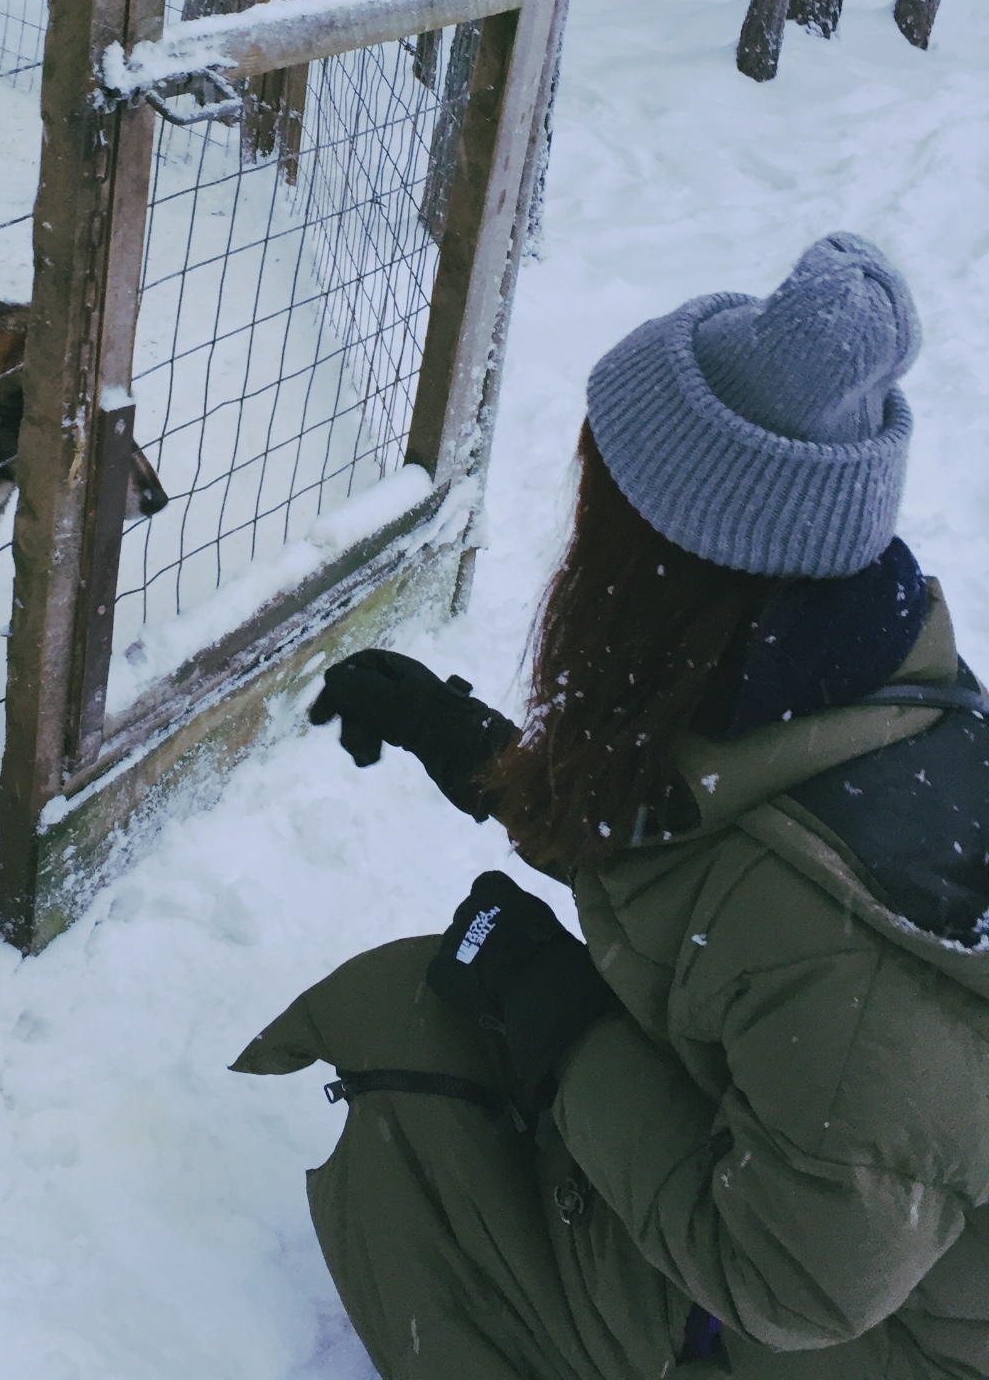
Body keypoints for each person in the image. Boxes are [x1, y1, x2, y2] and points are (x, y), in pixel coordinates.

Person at [233, 234, 989, 1380]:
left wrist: (561, 1014)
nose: (579, 532)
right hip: (833, 1212)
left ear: (674, 561)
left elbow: (785, 1279)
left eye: (605, 504)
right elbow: (701, 832)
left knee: (412, 1111)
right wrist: (476, 749)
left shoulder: (857, 958)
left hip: (863, 1333)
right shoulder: (833, 670)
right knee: (422, 1008)